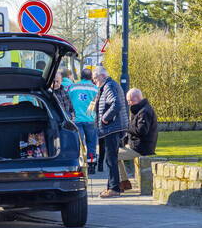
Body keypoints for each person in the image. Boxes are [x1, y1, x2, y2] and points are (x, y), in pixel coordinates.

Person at [93, 67, 129, 198]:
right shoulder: (110, 85)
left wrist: (105, 117)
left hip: (112, 129)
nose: (94, 81)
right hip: (113, 128)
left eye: (95, 79)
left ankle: (114, 188)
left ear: (102, 76)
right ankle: (111, 187)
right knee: (111, 159)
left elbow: (116, 104)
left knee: (111, 159)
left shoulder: (109, 86)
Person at [118, 88, 159, 188]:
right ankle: (124, 181)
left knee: (113, 155)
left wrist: (127, 127)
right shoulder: (140, 109)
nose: (128, 103)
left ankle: (123, 182)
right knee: (114, 151)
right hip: (137, 145)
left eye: (129, 101)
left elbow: (141, 131)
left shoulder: (144, 112)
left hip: (142, 148)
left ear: (136, 98)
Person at [68, 68, 99, 174]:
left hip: (76, 119)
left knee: (78, 144)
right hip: (90, 119)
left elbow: (68, 101)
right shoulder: (95, 89)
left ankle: (79, 165)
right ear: (91, 77)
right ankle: (91, 165)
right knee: (91, 143)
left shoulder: (72, 87)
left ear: (80, 76)